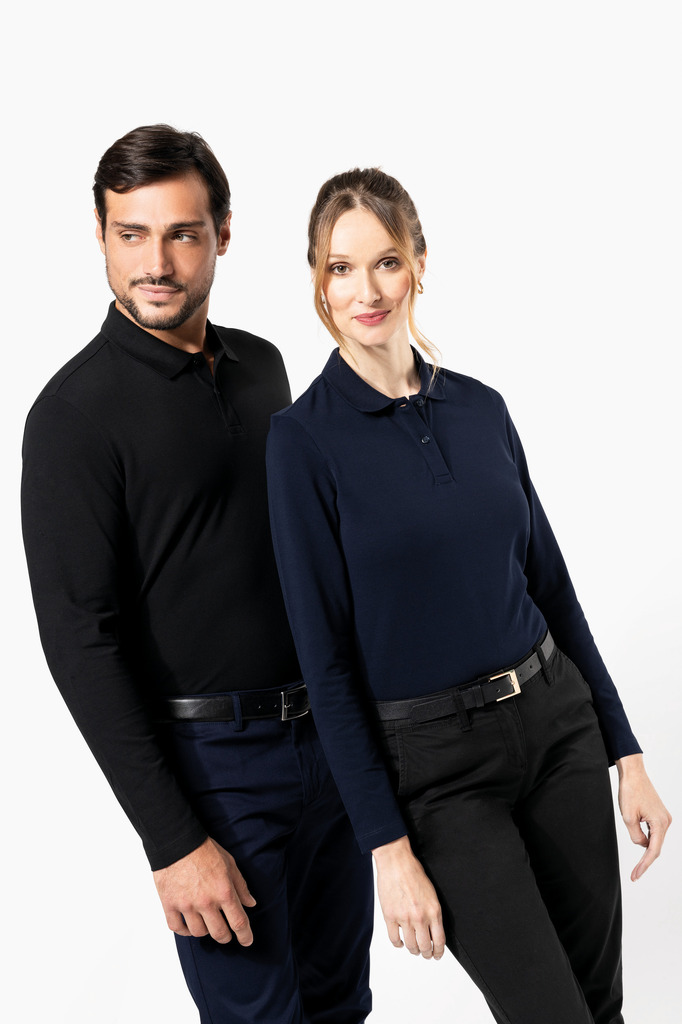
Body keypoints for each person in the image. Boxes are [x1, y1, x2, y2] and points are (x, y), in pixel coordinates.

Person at [266, 167, 672, 1024]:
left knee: (600, 1008)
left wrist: (625, 753)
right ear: (318, 281)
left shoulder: (482, 409)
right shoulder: (302, 443)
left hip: (557, 728)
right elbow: (326, 666)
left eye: (386, 261)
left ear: (419, 262)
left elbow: (551, 587)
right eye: (341, 268)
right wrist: (387, 848)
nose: (366, 291)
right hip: (438, 775)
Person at [21, 127, 372, 1024]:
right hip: (216, 774)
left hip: (327, 743)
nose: (156, 263)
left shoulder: (264, 367)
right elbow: (79, 642)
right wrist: (173, 840)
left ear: (222, 233)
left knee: (342, 1006)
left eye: (181, 233)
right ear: (100, 237)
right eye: (131, 234)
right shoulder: (72, 416)